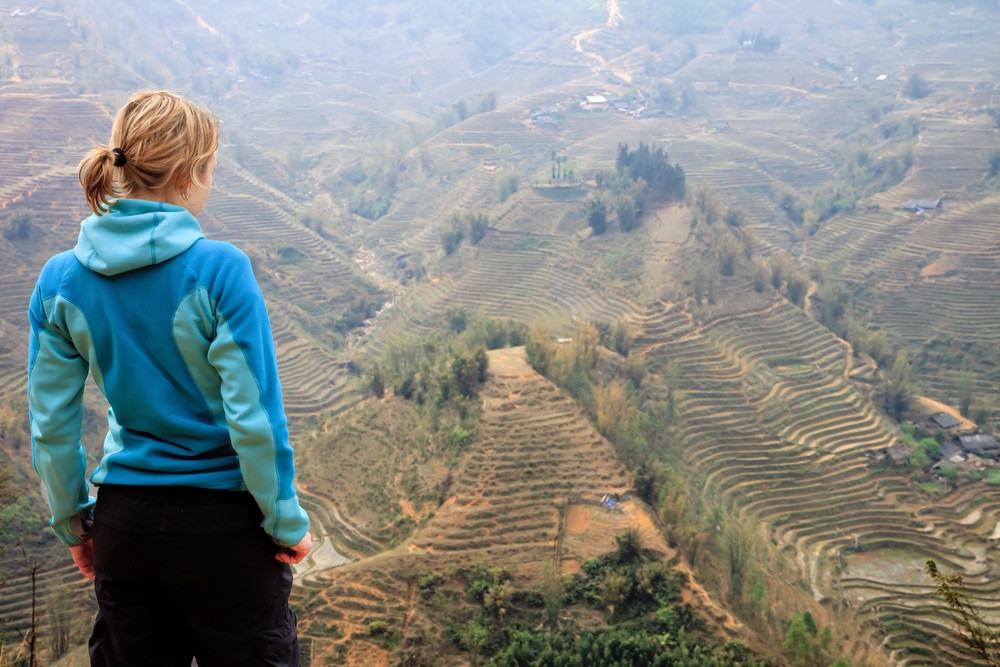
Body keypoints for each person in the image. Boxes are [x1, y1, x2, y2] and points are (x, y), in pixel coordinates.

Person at [27, 90, 312, 666]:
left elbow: (51, 427)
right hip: (225, 529)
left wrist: (73, 523)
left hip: (124, 526)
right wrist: (286, 521)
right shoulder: (219, 269)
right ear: (189, 175)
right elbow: (253, 417)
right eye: (210, 170)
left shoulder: (60, 280)